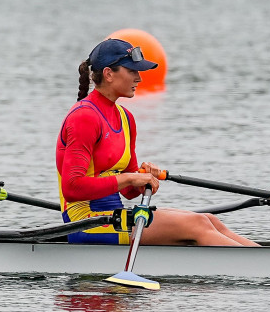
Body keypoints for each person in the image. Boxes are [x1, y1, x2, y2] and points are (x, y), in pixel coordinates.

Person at [56, 38, 258, 246]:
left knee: (210, 220)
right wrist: (130, 179)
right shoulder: (84, 117)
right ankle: (263, 272)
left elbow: (129, 192)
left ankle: (266, 263)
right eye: (132, 71)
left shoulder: (125, 118)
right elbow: (72, 188)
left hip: (113, 217)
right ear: (108, 74)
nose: (139, 78)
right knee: (197, 224)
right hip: (87, 223)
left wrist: (142, 179)